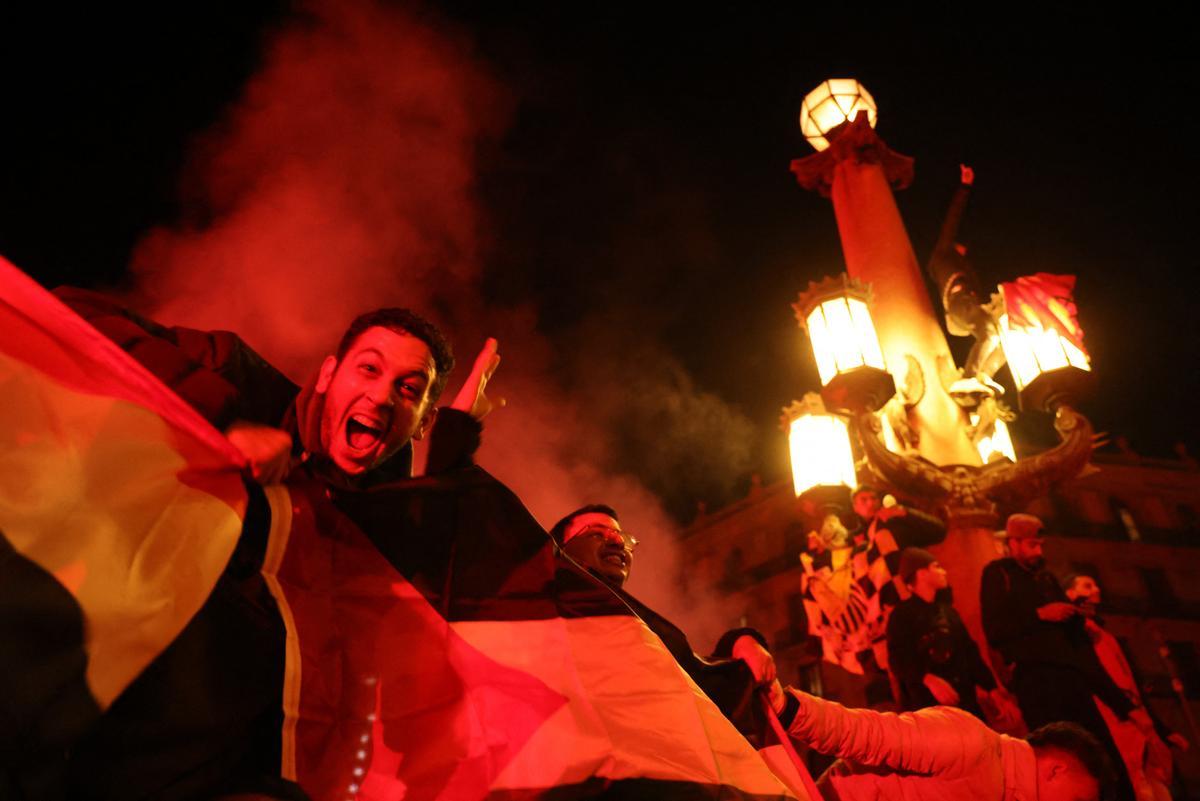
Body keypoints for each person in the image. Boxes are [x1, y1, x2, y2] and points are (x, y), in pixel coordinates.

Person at [56, 295, 498, 800]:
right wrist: (221, 425)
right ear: (329, 374)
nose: (380, 398)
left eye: (408, 389)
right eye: (368, 369)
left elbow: (451, 619)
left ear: (421, 421)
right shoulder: (239, 380)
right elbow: (75, 317)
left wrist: (453, 453)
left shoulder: (379, 536)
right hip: (94, 739)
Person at [550, 505, 790, 742]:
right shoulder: (542, 618)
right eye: (596, 533)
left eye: (623, 536)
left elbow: (695, 681)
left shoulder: (640, 626)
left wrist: (738, 643)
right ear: (562, 551)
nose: (617, 542)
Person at [982, 512, 1143, 801]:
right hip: (1036, 679)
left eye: (1040, 545)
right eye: (1032, 545)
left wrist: (1121, 704)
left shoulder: (1046, 578)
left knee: (1101, 758)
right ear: (1015, 543)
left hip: (1071, 679)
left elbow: (1078, 649)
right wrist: (1039, 614)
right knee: (1060, 759)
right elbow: (994, 629)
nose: (1038, 552)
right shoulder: (998, 574)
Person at [782, 686, 1114, 801]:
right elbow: (866, 733)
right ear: (1057, 769)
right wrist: (785, 708)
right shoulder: (972, 742)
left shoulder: (1002, 787)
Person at [1064, 572, 1187, 801]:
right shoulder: (1078, 632)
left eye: (1096, 585)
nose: (1096, 590)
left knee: (1153, 781)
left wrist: (1162, 729)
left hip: (1132, 713)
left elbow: (1132, 682)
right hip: (1115, 715)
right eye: (1087, 586)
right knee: (1135, 778)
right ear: (1069, 594)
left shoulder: (1103, 633)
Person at [886, 548, 1011, 722]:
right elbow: (898, 659)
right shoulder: (902, 615)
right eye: (936, 566)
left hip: (966, 704)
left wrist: (992, 689)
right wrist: (927, 678)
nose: (943, 571)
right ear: (921, 573)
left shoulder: (948, 612)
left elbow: (969, 652)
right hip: (931, 712)